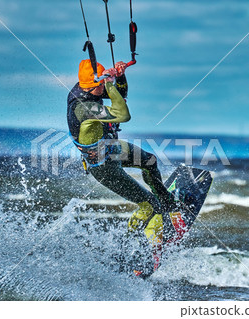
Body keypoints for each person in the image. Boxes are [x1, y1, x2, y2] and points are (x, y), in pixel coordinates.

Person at [67, 59, 176, 242]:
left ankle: (166, 201)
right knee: (149, 206)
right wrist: (109, 83)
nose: (104, 87)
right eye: (101, 83)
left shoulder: (87, 88)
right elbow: (123, 114)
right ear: (94, 85)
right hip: (104, 168)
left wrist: (119, 76)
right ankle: (130, 245)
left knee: (150, 161)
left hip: (110, 148)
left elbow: (120, 96)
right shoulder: (83, 108)